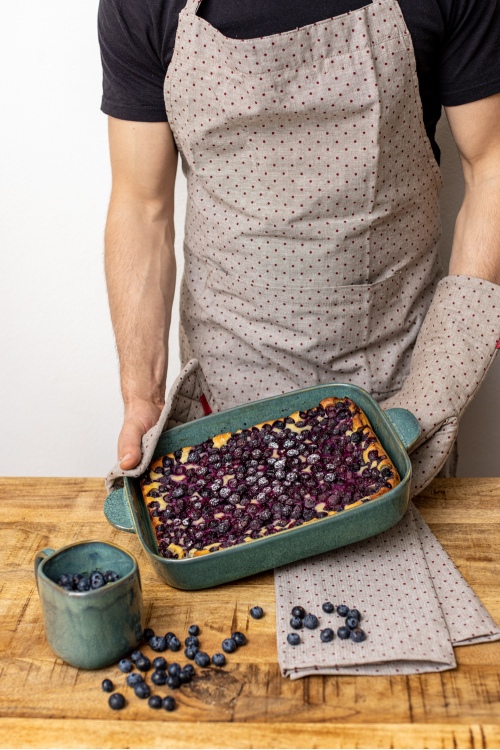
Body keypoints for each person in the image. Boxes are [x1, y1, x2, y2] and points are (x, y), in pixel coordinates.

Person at [99, 0, 500, 493]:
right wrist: (142, 394)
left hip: (396, 406)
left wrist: (434, 396)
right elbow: (142, 208)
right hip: (220, 415)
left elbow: (492, 166)